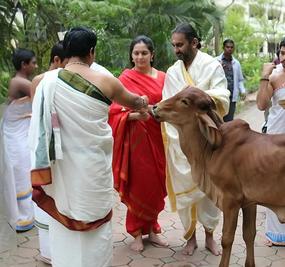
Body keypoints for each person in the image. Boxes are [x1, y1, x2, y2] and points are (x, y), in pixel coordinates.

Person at [29, 26, 148, 267]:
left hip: (60, 168)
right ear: (91, 52)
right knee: (95, 225)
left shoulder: (43, 82)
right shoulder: (106, 81)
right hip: (92, 167)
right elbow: (134, 102)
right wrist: (143, 101)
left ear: (67, 51)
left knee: (64, 221)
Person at [162, 22, 229, 256]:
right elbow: (168, 106)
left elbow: (223, 97)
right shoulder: (172, 72)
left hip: (207, 141)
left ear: (194, 42)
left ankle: (210, 236)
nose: (176, 50)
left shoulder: (212, 66)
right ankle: (189, 238)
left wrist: (195, 98)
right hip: (181, 142)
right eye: (174, 46)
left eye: (180, 45)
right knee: (186, 194)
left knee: (210, 193)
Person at [108, 35, 167, 252]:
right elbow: (113, 111)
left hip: (160, 137)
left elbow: (169, 105)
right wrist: (134, 117)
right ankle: (136, 234)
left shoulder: (163, 77)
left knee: (157, 184)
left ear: (152, 54)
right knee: (138, 185)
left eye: (144, 53)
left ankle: (152, 230)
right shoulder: (124, 78)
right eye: (136, 53)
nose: (140, 57)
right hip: (135, 141)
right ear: (131, 55)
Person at [30, 41, 68, 265]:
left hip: (61, 146)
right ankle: (49, 251)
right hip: (44, 143)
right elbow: (41, 117)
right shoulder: (41, 81)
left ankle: (61, 249)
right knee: (47, 192)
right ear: (56, 60)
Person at [0, 48, 37, 233]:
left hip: (19, 130)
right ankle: (21, 217)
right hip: (14, 132)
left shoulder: (21, 81)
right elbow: (40, 94)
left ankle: (27, 215)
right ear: (24, 65)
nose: (35, 66)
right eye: (33, 63)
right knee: (21, 169)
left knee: (24, 168)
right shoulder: (19, 82)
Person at [256, 38, 285, 247]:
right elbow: (261, 105)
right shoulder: (274, 76)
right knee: (274, 182)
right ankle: (276, 234)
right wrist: (264, 77)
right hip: (276, 136)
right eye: (283, 53)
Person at [216, 39, 246, 121]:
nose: (229, 49)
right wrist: (219, 68)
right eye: (227, 47)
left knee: (229, 120)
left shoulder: (236, 63)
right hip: (219, 97)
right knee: (219, 120)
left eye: (231, 47)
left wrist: (242, 91)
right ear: (223, 47)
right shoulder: (216, 61)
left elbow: (240, 79)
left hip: (231, 96)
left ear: (234, 49)